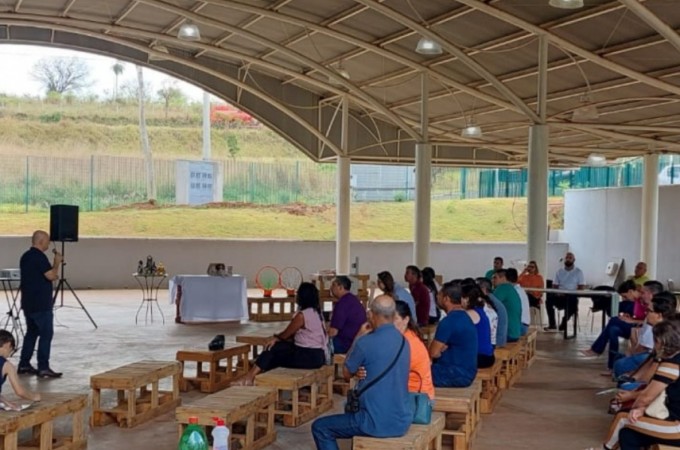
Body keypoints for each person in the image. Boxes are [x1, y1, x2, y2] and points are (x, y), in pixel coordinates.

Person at [311, 295, 411, 450]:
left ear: (371, 314)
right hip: (401, 420)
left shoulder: (365, 342)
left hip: (373, 421)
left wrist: (358, 337)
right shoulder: (404, 342)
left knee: (320, 427)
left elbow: (346, 372)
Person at [603, 320, 680, 450]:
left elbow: (646, 397)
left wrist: (637, 408)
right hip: (672, 419)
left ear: (660, 342)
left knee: (622, 417)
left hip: (676, 427)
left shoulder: (672, 364)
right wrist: (641, 408)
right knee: (628, 435)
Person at [233, 282, 327, 386]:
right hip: (318, 355)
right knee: (275, 352)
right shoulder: (317, 312)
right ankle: (256, 375)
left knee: (272, 349)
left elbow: (286, 334)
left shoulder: (302, 315)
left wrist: (276, 338)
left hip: (308, 356)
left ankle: (250, 376)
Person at [18, 230, 62, 378]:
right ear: (41, 241)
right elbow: (51, 276)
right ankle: (43, 366)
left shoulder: (26, 256)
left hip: (28, 303)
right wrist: (56, 263)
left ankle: (24, 364)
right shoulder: (39, 257)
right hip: (41, 304)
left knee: (32, 333)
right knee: (46, 334)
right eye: (47, 241)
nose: (49, 244)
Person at [581, 279, 648, 374]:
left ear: (630, 291)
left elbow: (648, 321)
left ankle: (596, 349)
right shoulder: (636, 301)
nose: (624, 299)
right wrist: (629, 317)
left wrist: (633, 320)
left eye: (625, 296)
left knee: (613, 320)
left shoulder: (644, 302)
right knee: (613, 330)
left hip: (640, 329)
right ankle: (611, 367)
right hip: (634, 326)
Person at [613, 292, 677, 379]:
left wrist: (637, 381)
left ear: (659, 315)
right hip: (652, 361)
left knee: (620, 365)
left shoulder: (665, 332)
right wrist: (634, 377)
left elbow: (657, 362)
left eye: (649, 311)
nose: (646, 314)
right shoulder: (659, 327)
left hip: (662, 371)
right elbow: (653, 357)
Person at [429, 281, 478, 387]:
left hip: (454, 374)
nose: (437, 297)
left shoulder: (448, 321)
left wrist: (439, 349)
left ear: (446, 299)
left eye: (439, 295)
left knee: (411, 375)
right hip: (467, 371)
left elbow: (433, 353)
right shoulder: (465, 317)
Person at [393, 300, 435, 399]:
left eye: (395, 319)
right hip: (413, 392)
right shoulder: (406, 336)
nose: (390, 323)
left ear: (406, 320)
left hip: (416, 397)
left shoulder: (406, 342)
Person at [544, 252, 585, 332]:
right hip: (560, 296)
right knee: (548, 300)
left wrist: (573, 293)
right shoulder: (559, 271)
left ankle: (564, 321)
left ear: (574, 260)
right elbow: (555, 285)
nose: (568, 259)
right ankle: (552, 324)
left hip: (571, 296)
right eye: (567, 258)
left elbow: (581, 287)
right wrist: (558, 292)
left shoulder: (578, 272)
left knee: (573, 304)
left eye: (570, 258)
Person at [0, 330, 41, 410]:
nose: (9, 354)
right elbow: (20, 392)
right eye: (11, 350)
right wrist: (34, 397)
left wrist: (6, 402)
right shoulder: (7, 365)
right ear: (8, 344)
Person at [328, 276, 366, 354]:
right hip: (358, 341)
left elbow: (333, 332)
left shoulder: (342, 304)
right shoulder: (353, 299)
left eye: (333, 285)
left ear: (340, 287)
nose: (330, 288)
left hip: (345, 344)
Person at [462, 285, 495, 368]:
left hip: (480, 357)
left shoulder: (469, 314)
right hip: (488, 355)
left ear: (467, 299)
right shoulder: (480, 310)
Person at [491, 269, 522, 343]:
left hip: (508, 333)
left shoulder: (503, 288)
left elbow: (488, 304)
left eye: (495, 278)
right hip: (515, 333)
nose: (492, 280)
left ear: (503, 278)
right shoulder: (510, 288)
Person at [476, 277, 508, 348]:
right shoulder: (492, 299)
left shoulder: (486, 302)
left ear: (483, 289)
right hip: (500, 339)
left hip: (497, 341)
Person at [506, 268, 530, 336]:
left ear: (505, 279)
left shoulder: (513, 291)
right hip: (523, 325)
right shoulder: (520, 290)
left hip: (519, 326)